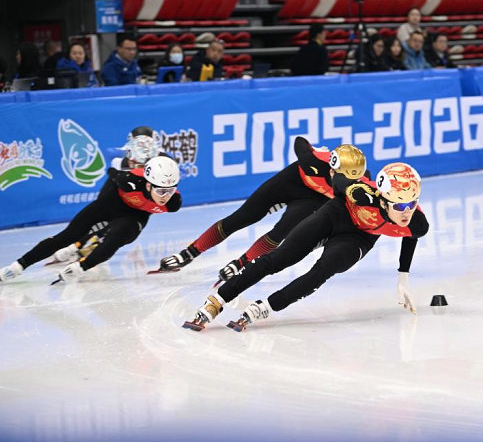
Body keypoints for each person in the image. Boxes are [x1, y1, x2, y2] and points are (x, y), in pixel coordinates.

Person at [183, 161, 429, 332]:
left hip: (358, 238)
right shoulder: (364, 193)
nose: (406, 212)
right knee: (280, 258)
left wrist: (403, 277)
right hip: (335, 216)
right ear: (383, 201)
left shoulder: (416, 222)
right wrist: (350, 188)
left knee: (322, 271)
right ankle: (217, 301)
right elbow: (339, 180)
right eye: (399, 206)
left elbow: (412, 235)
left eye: (412, 203)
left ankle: (264, 307)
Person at [158, 138, 367, 282]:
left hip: (313, 200)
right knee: (241, 217)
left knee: (280, 232)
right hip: (291, 181)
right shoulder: (314, 161)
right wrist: (313, 149)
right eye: (333, 172)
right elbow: (299, 141)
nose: (335, 178)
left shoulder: (357, 187)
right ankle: (189, 253)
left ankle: (241, 264)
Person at [0, 156, 182, 286]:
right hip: (110, 203)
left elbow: (167, 196)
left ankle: (80, 267)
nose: (165, 196)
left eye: (170, 190)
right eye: (160, 191)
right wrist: (117, 171)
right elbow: (112, 171)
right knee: (67, 236)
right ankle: (18, 266)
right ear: (148, 185)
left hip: (135, 216)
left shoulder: (173, 203)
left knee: (117, 238)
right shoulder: (130, 181)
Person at [48, 126, 166, 265]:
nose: (143, 146)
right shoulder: (128, 150)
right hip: (120, 186)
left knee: (123, 222)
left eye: (146, 142)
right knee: (102, 211)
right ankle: (77, 245)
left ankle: (88, 245)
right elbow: (110, 153)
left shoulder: (160, 155)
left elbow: (174, 166)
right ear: (132, 141)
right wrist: (128, 153)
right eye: (139, 143)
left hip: (141, 194)